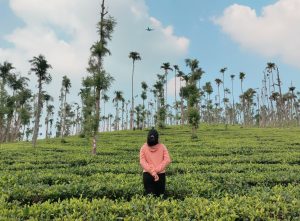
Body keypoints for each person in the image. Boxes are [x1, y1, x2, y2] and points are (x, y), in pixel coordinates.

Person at [139, 128, 171, 197]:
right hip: (160, 175)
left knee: (150, 198)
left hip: (147, 174)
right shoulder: (163, 147)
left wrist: (152, 172)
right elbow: (167, 160)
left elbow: (142, 162)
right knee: (160, 197)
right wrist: (156, 171)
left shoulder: (143, 147)